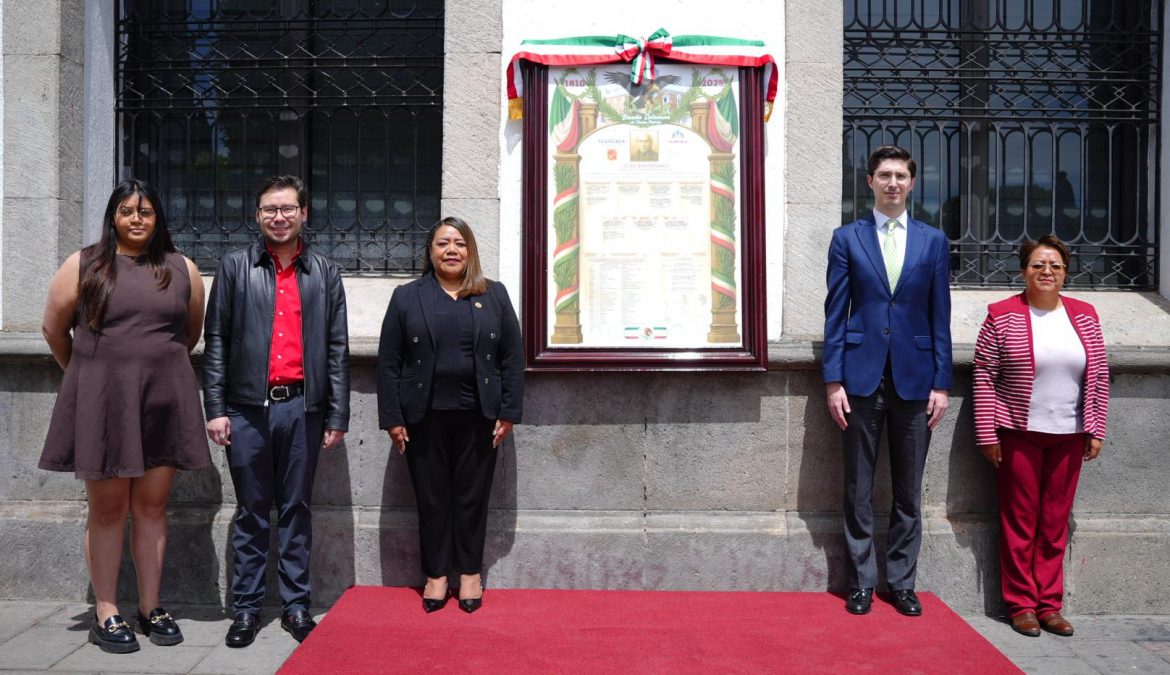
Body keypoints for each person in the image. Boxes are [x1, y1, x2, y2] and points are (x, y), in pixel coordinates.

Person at [39, 179, 209, 653]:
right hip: (104, 402)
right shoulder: (85, 263)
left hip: (162, 401)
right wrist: (86, 377)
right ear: (113, 216)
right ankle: (108, 610)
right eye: (128, 211)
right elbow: (54, 328)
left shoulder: (183, 268)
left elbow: (189, 332)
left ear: (159, 219)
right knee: (108, 508)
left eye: (147, 212)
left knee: (153, 506)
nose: (137, 220)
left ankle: (150, 607)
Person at [203, 175, 350, 647]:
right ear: (258, 215)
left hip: (302, 410)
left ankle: (295, 606)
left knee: (296, 510)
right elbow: (218, 341)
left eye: (287, 208)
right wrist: (216, 407)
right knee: (250, 513)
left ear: (304, 213)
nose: (279, 217)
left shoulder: (325, 272)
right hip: (247, 410)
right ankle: (245, 610)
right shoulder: (234, 267)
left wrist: (337, 414)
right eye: (270, 209)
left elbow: (337, 348)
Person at [823, 145, 952, 617]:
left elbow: (941, 316)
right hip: (859, 379)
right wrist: (833, 379)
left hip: (916, 381)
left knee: (907, 489)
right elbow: (835, 313)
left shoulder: (933, 241)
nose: (893, 182)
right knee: (856, 487)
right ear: (870, 182)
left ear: (912, 183)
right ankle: (861, 582)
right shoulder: (847, 238)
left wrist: (942, 383)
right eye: (884, 175)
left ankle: (901, 582)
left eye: (901, 175)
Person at [377, 217, 523, 614]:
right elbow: (389, 362)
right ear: (431, 251)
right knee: (432, 498)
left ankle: (470, 572)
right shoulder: (407, 297)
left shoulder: (494, 295)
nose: (451, 250)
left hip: (481, 416)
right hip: (423, 417)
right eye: (443, 243)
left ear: (471, 250)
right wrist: (392, 417)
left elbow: (512, 357)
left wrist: (509, 411)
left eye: (460, 243)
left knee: (472, 498)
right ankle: (437, 574)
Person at [972, 235, 1109, 638]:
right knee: (1020, 521)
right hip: (1018, 432)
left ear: (1065, 273)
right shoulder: (1002, 314)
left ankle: (1050, 605)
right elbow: (983, 375)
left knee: (1053, 523)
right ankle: (1021, 606)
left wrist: (1096, 428)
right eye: (1038, 265)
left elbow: (1099, 376)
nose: (1046, 272)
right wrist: (986, 434)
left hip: (1069, 434)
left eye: (1055, 266)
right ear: (1023, 271)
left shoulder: (1085, 314)